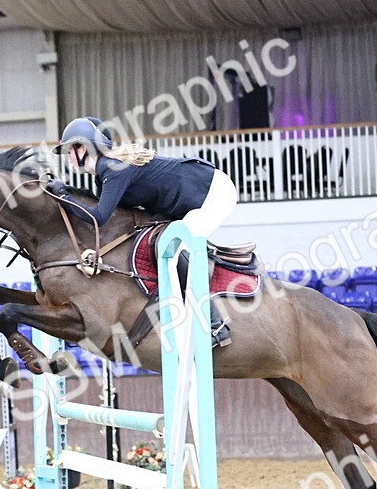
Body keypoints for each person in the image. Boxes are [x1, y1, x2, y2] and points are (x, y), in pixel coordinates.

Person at [48, 116, 238, 346]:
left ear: (84, 147)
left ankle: (214, 324)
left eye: (70, 150)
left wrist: (64, 196)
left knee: (172, 248)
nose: (68, 157)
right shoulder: (106, 173)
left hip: (213, 193)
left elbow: (98, 217)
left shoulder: (113, 169)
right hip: (190, 198)